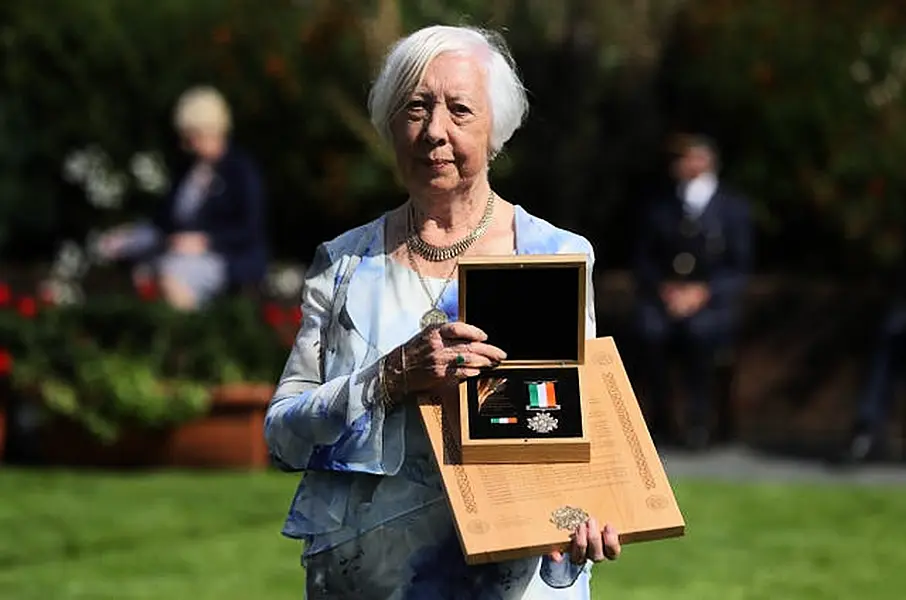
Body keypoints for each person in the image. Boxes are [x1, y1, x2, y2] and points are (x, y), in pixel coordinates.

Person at [265, 25, 621, 599]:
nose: (435, 131)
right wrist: (386, 378)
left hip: (513, 583)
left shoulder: (554, 257)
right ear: (389, 124)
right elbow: (282, 438)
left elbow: (572, 433)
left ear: (495, 129)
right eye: (415, 108)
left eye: (459, 110)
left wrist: (585, 520)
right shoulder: (343, 266)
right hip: (369, 583)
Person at [96, 86, 268, 310]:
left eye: (191, 136)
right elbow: (164, 224)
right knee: (141, 271)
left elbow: (249, 230)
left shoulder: (241, 172)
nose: (184, 143)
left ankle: (190, 335)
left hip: (228, 258)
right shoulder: (187, 171)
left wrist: (205, 241)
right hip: (178, 253)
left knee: (172, 274)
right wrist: (128, 237)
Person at [633, 134, 752, 451]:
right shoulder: (660, 205)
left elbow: (739, 267)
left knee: (700, 336)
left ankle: (699, 422)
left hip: (711, 302)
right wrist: (665, 289)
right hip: (667, 299)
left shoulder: (733, 208)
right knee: (649, 331)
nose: (680, 165)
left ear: (705, 161)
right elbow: (645, 259)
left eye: (687, 158)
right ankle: (660, 420)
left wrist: (704, 292)